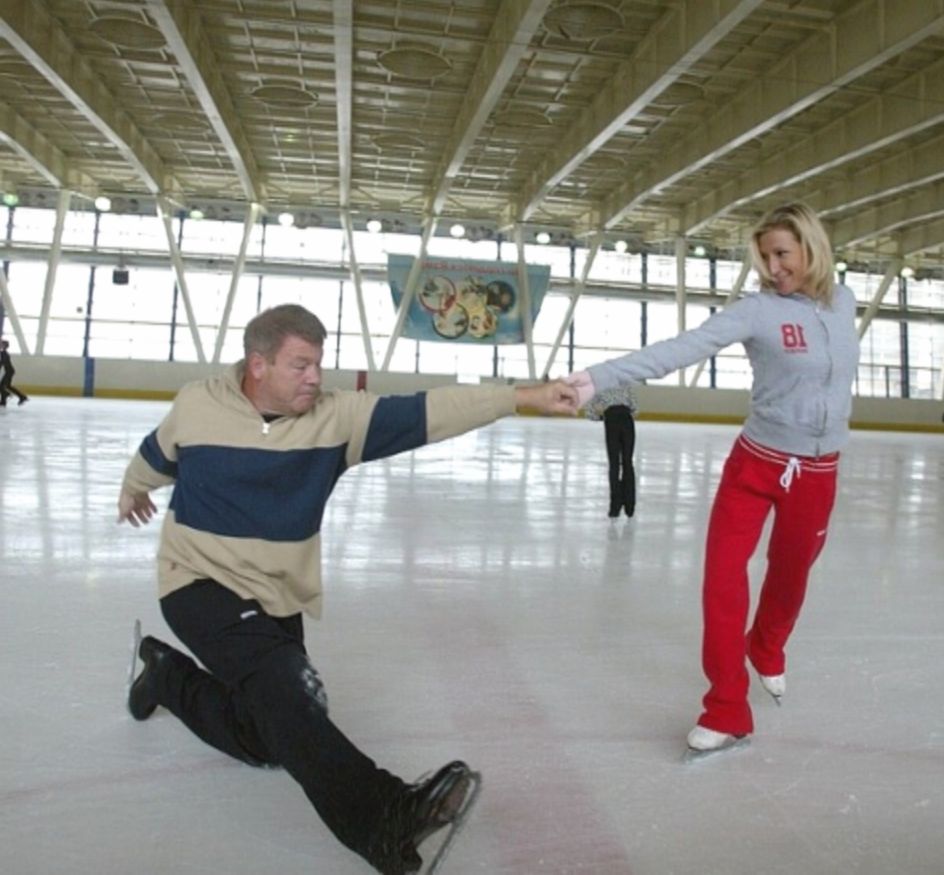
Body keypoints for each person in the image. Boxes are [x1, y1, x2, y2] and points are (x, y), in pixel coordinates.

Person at [118, 304, 578, 874]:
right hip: (196, 580)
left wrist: (523, 396)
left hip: (276, 593)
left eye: (319, 363)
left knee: (266, 737)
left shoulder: (336, 420)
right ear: (258, 365)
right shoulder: (198, 405)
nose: (315, 377)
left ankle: (166, 676)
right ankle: (383, 816)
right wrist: (133, 489)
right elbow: (156, 455)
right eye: (300, 365)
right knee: (286, 686)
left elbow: (430, 410)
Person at [566, 203, 859, 758]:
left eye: (782, 254)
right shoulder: (756, 311)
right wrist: (593, 380)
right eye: (765, 257)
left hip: (817, 471)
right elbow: (679, 350)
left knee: (790, 576)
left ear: (811, 248)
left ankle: (766, 647)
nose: (773, 267)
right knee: (722, 582)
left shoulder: (842, 301)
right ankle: (726, 708)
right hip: (755, 464)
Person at [585, 386, 637, 517]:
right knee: (627, 462)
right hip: (627, 420)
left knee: (614, 464)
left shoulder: (600, 388)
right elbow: (635, 408)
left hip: (611, 420)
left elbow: (590, 412)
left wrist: (602, 417)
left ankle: (615, 506)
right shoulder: (625, 386)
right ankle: (629, 506)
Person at [0, 339, 29, 407]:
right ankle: (5, 400)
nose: (0, 345)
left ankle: (6, 396)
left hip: (9, 372)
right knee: (7, 386)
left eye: (1, 344)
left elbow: (2, 362)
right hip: (9, 371)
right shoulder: (3, 353)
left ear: (4, 345)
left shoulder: (4, 353)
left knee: (2, 386)